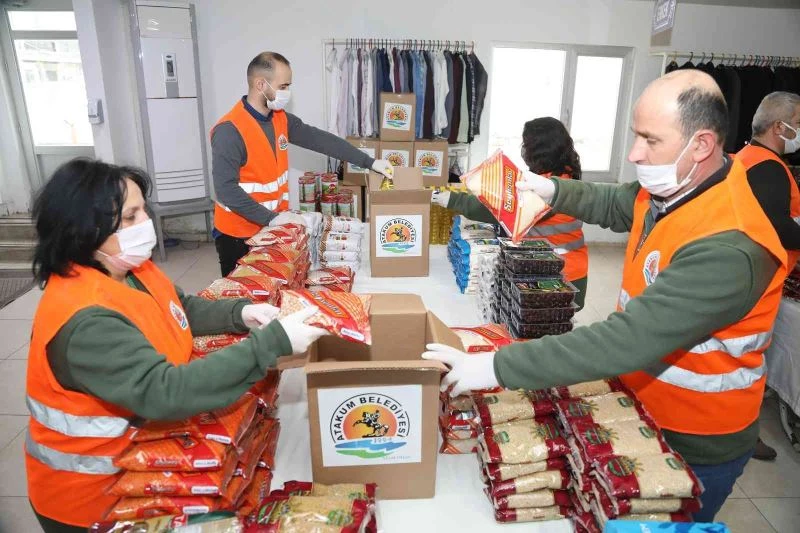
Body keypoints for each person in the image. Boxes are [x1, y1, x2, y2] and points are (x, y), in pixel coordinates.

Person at [423, 70, 788, 522]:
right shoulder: (678, 188)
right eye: (636, 135)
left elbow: (625, 339)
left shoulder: (730, 247)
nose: (634, 152)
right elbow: (614, 203)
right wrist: (551, 188)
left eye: (650, 140)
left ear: (701, 144)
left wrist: (496, 366)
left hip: (695, 438)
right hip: (641, 405)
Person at [25, 159, 328, 532]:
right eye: (130, 217)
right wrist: (270, 344)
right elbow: (166, 391)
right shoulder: (85, 321)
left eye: (143, 210)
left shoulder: (128, 270)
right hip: (95, 499)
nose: (146, 223)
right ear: (86, 231)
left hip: (149, 467)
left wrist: (242, 313)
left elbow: (178, 307)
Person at [212, 51, 394, 276]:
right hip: (238, 235)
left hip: (271, 228)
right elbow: (226, 190)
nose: (287, 93)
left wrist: (370, 162)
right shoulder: (229, 130)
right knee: (243, 295)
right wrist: (272, 218)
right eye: (283, 86)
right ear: (260, 84)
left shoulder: (279, 118)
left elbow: (321, 140)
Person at [433, 117, 589, 309]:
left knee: (545, 324)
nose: (523, 149)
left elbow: (502, 210)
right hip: (564, 268)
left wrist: (453, 200)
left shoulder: (551, 187)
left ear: (539, 149)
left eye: (526, 144)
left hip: (560, 275)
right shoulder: (565, 176)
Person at [736, 91, 800, 462]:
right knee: (747, 361)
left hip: (747, 273)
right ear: (780, 127)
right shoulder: (769, 169)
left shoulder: (744, 157)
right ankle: (744, 434)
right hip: (760, 281)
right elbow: (778, 229)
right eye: (798, 122)